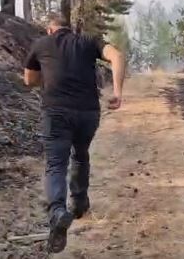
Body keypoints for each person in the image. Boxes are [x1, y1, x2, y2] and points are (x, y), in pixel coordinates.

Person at [23, 13, 126, 253]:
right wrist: (118, 92)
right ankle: (79, 204)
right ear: (69, 29)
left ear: (50, 30)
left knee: (56, 164)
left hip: (56, 113)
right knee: (80, 154)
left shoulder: (41, 44)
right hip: (88, 113)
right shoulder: (88, 41)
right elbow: (117, 56)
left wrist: (48, 78)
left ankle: (58, 211)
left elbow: (28, 80)